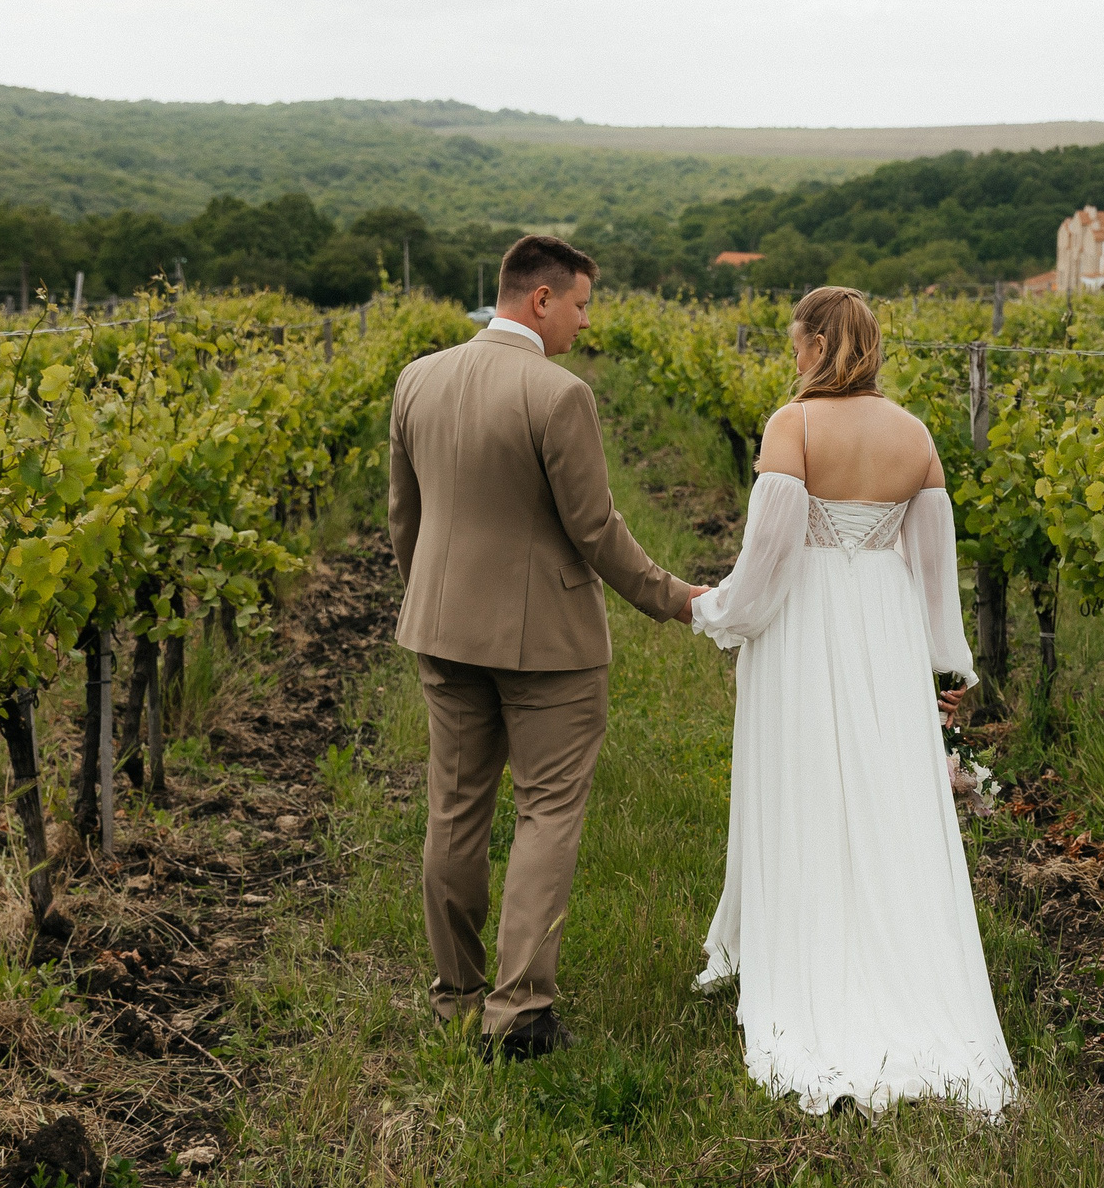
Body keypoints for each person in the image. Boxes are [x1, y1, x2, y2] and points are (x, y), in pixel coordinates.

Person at [689, 287, 1017, 1116]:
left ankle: (803, 956)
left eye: (797, 342)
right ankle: (898, 960)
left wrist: (710, 610)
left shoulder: (791, 427)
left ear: (820, 343)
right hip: (882, 630)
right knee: (884, 798)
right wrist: (946, 673)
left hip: (805, 630)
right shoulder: (915, 437)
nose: (792, 356)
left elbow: (764, 569)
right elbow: (939, 581)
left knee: (799, 786)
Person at [388, 234, 706, 1061]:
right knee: (547, 812)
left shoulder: (416, 379)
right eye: (580, 304)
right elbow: (593, 526)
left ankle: (455, 999)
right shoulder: (557, 394)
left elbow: (404, 518)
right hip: (547, 646)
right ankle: (518, 1013)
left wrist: (432, 598)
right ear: (540, 299)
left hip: (442, 629)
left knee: (454, 810)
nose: (584, 321)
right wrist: (672, 597)